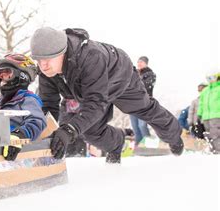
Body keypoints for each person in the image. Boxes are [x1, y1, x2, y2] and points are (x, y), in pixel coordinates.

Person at [30, 27, 183, 164]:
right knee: (88, 129)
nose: (43, 65)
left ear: (62, 52)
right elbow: (49, 105)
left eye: (48, 58)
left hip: (120, 78)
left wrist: (68, 130)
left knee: (144, 108)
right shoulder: (46, 71)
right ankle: (116, 143)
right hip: (90, 90)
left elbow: (95, 103)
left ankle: (174, 136)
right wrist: (40, 132)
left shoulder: (91, 57)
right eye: (39, 59)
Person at [0, 53, 47, 161]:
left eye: (7, 74)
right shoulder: (0, 103)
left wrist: (19, 135)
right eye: (0, 75)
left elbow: (37, 121)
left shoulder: (27, 100)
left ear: (22, 76)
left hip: (16, 154)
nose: (2, 79)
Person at [129, 56, 156, 145]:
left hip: (144, 104)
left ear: (146, 63)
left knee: (142, 125)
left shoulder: (150, 74)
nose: (139, 64)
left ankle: (149, 144)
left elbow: (145, 86)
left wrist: (135, 82)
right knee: (135, 127)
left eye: (141, 62)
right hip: (132, 104)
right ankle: (139, 146)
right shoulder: (134, 74)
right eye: (138, 62)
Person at [198, 71, 220, 153]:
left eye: (212, 78)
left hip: (217, 115)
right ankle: (213, 150)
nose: (210, 80)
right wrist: (199, 115)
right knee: (208, 134)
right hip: (206, 117)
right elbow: (201, 103)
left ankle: (218, 152)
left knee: (216, 134)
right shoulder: (205, 90)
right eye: (208, 79)